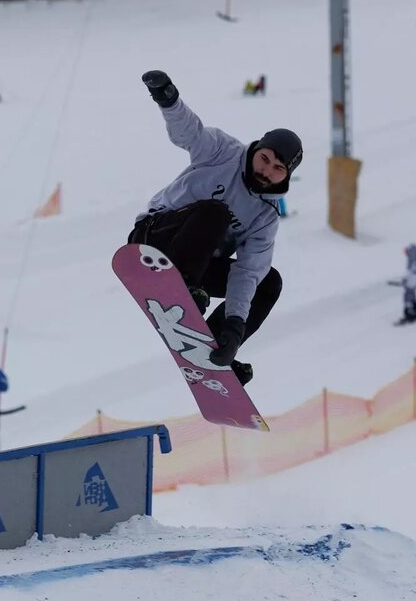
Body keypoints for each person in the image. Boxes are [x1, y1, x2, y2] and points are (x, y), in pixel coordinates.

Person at [127, 70, 300, 386]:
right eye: (265, 159)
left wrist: (234, 326)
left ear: (284, 177)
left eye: (277, 169)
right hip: (156, 239)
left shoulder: (265, 216)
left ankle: (214, 351)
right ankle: (184, 288)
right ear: (257, 148)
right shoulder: (224, 151)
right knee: (216, 212)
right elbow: (190, 133)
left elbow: (248, 272)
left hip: (198, 268)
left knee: (268, 282)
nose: (266, 170)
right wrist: (168, 99)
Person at [388, 244, 416, 325]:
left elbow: (412, 274)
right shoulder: (415, 260)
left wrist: (406, 281)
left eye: (407, 252)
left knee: (407, 298)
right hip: (413, 282)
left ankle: (409, 315)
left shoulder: (413, 261)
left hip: (411, 283)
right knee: (413, 297)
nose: (406, 254)